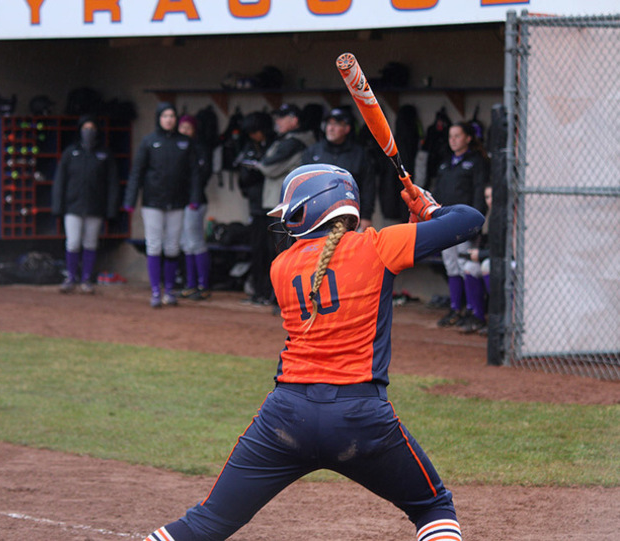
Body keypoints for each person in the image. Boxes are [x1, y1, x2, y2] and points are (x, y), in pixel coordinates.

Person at [143, 164, 483, 541]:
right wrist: (429, 210)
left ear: (312, 210)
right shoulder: (376, 244)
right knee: (432, 507)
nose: (287, 222)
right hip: (360, 417)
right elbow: (469, 219)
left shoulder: (280, 266)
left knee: (206, 523)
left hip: (286, 416)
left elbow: (344, 267)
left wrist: (413, 226)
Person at [124, 102, 202, 308]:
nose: (169, 119)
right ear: (158, 118)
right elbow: (137, 172)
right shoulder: (149, 141)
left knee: (172, 246)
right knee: (154, 244)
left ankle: (169, 290)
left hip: (177, 202)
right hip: (152, 202)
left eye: (172, 116)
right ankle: (155, 291)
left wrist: (195, 197)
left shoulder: (185, 142)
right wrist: (130, 200)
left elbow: (194, 173)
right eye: (165, 116)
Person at [247, 103, 315, 306]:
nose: (277, 122)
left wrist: (256, 164)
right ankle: (281, 296)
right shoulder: (287, 140)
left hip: (289, 206)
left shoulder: (295, 141)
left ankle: (286, 298)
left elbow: (268, 167)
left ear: (294, 120)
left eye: (282, 117)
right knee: (280, 251)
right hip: (284, 205)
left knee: (287, 252)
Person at [51, 114, 120, 294]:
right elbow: (60, 181)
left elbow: (112, 183)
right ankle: (70, 277)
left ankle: (86, 279)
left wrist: (111, 209)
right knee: (73, 242)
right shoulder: (70, 152)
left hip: (95, 206)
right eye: (85, 128)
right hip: (73, 206)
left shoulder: (104, 154)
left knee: (90, 243)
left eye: (92, 129)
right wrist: (58, 206)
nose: (88, 132)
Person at [431, 121, 489, 328]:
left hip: (465, 223)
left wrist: (476, 222)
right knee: (451, 265)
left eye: (457, 136)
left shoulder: (476, 162)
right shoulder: (446, 163)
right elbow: (437, 194)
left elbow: (479, 194)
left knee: (467, 265)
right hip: (446, 223)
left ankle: (474, 311)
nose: (453, 140)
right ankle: (456, 308)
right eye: (450, 136)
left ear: (468, 138)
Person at [301, 106, 375, 231]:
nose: (331, 128)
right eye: (329, 123)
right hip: (317, 216)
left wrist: (366, 216)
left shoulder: (359, 154)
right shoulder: (312, 151)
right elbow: (303, 186)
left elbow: (368, 187)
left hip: (349, 217)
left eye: (337, 124)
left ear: (347, 129)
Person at [235, 111, 276, 306]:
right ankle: (258, 291)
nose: (253, 135)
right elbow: (243, 177)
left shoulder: (275, 146)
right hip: (255, 208)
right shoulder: (249, 147)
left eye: (256, 131)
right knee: (257, 250)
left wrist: (259, 170)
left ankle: (272, 293)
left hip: (273, 207)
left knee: (272, 251)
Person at [177, 114, 213, 301]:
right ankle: (190, 284)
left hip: (196, 200)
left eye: (188, 128)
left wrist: (194, 197)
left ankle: (203, 285)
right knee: (185, 243)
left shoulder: (200, 149)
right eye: (181, 127)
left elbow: (202, 176)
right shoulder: (177, 148)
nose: (184, 131)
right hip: (179, 201)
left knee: (196, 241)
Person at [460, 184, 492, 334]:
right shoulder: (488, 215)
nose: (490, 201)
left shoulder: (508, 214)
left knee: (487, 265)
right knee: (470, 267)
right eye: (487, 197)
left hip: (504, 261)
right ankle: (478, 316)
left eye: (492, 196)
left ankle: (496, 318)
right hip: (490, 257)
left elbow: (506, 248)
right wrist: (477, 252)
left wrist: (482, 255)